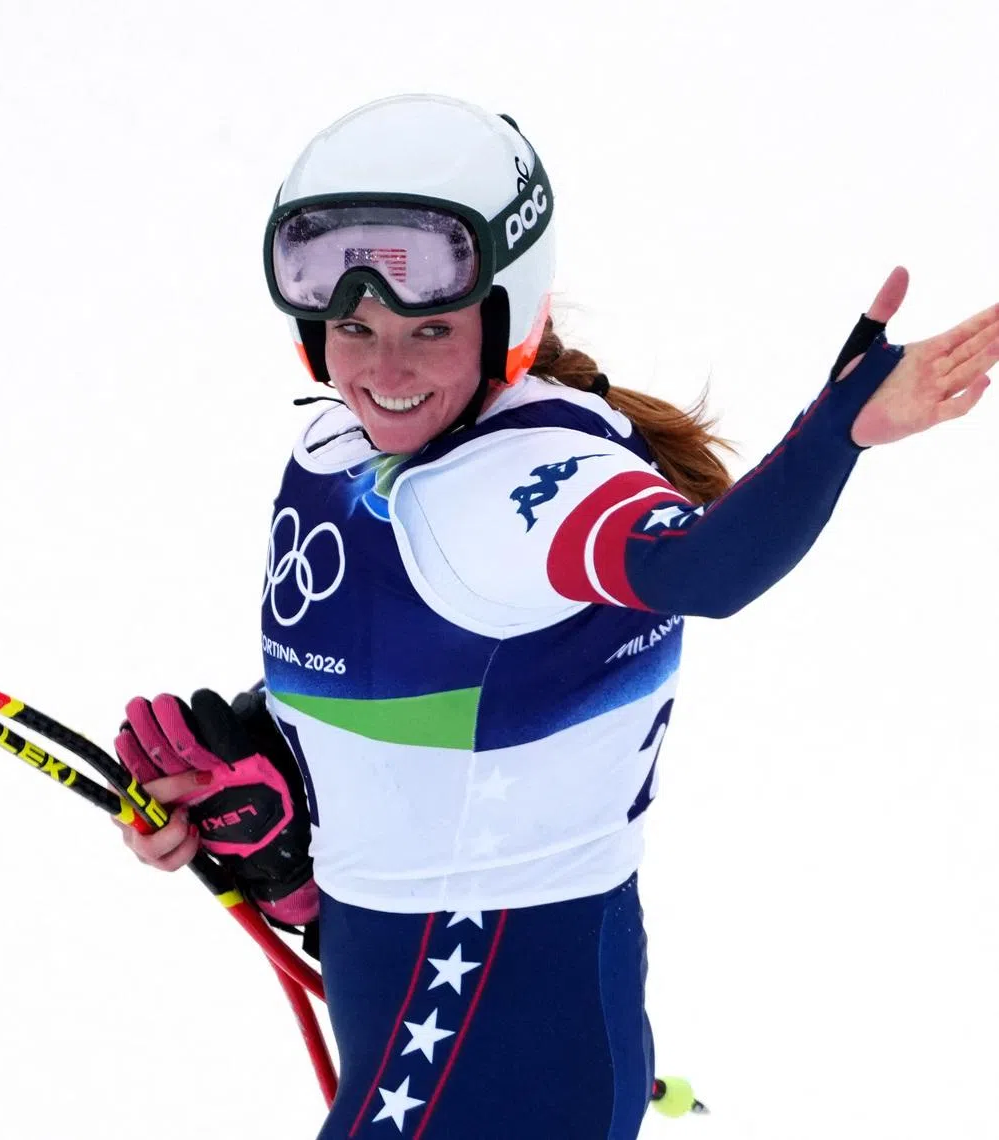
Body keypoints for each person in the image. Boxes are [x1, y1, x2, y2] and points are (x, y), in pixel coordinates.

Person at [112, 93, 996, 1139]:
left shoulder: (526, 482)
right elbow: (420, 682)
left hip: (497, 1008)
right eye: (353, 328)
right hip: (416, 990)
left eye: (428, 329)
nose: (383, 371)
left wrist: (840, 428)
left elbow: (702, 569)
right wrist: (270, 788)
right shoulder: (342, 455)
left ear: (504, 316)